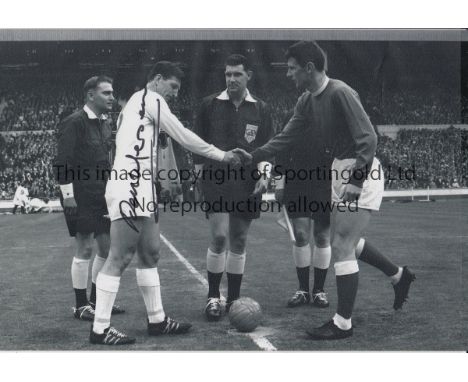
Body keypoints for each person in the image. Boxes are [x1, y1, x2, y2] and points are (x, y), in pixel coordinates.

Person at [237, 41, 415, 340]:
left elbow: (368, 138)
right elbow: (286, 137)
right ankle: (399, 276)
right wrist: (253, 155)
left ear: (309, 68)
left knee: (342, 245)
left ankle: (342, 323)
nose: (289, 74)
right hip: (339, 168)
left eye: (292, 68)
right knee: (341, 239)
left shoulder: (340, 92)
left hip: (361, 168)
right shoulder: (306, 101)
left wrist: (357, 180)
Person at [90, 61, 245, 345]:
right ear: (158, 80)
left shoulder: (136, 104)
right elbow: (183, 136)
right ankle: (100, 329)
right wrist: (223, 156)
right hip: (132, 184)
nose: (175, 93)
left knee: (150, 254)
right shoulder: (152, 99)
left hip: (141, 185)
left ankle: (157, 320)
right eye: (173, 86)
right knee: (120, 256)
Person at [193, 54, 274, 321]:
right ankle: (213, 297)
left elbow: (266, 147)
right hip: (216, 178)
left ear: (248, 75)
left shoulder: (261, 109)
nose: (231, 79)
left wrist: (265, 174)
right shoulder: (209, 105)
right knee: (219, 237)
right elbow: (198, 144)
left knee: (238, 240)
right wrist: (196, 176)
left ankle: (234, 299)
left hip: (247, 181)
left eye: (237, 74)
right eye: (228, 74)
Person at [54, 76, 125, 322]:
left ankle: (96, 301)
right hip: (80, 195)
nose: (111, 97)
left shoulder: (103, 124)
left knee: (106, 249)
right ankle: (80, 305)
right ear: (90, 96)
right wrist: (68, 196)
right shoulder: (74, 122)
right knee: (84, 247)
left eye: (112, 92)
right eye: (106, 93)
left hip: (101, 195)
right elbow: (62, 161)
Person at [274, 111, 331, 308]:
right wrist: (279, 183)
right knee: (300, 235)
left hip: (324, 181)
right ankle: (303, 290)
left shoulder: (329, 114)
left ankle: (319, 290)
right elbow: (281, 150)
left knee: (322, 236)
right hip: (296, 180)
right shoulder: (292, 115)